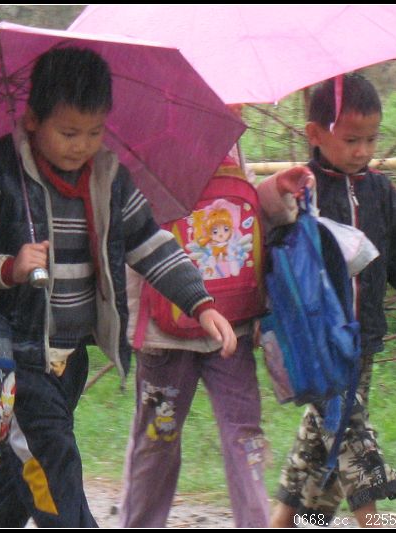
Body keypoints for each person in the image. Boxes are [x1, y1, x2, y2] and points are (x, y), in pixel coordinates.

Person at [0, 47, 237, 527]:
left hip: (71, 359)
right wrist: (9, 267)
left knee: (26, 464)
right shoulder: (0, 169)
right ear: (32, 120)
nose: (81, 145)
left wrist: (200, 303)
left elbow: (148, 242)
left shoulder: (108, 177)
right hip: (16, 354)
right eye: (68, 133)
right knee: (54, 462)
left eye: (94, 131)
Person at [118, 111, 300, 526]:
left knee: (244, 436)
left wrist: (275, 191)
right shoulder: (146, 144)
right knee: (158, 440)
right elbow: (133, 229)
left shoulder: (232, 142)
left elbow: (246, 214)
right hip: (166, 331)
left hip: (230, 327)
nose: (236, 109)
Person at [258, 73, 396, 528]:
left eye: (371, 139)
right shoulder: (301, 192)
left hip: (362, 338)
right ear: (315, 134)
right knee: (347, 426)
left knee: (321, 438)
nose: (363, 150)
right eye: (351, 140)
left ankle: (289, 522)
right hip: (316, 338)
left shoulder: (382, 194)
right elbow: (273, 252)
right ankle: (372, 522)